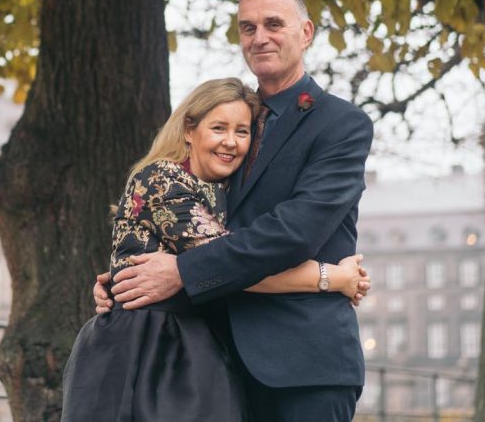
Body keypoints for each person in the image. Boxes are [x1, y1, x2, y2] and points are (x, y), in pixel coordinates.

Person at [95, 0, 375, 421]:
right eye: (247, 27)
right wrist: (124, 275)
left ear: (305, 33)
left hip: (303, 365)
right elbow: (185, 223)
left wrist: (183, 272)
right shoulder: (227, 126)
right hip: (212, 366)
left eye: (273, 24)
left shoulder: (342, 124)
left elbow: (294, 231)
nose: (259, 37)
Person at [62, 77, 369, 422]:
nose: (230, 142)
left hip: (191, 343)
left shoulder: (219, 190)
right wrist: (333, 277)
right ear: (189, 130)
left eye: (242, 131)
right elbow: (232, 264)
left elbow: (222, 263)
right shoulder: (163, 179)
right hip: (146, 347)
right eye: (218, 128)